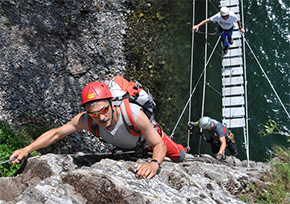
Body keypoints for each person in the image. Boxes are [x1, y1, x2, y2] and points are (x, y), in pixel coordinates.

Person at [10, 80, 187, 179]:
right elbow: (56, 133)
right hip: (127, 147)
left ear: (112, 103)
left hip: (147, 142)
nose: (101, 118)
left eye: (104, 110)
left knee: (180, 156)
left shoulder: (133, 114)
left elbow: (158, 144)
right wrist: (26, 150)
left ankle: (186, 149)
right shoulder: (87, 120)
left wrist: (153, 165)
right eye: (94, 114)